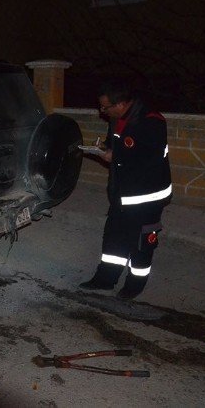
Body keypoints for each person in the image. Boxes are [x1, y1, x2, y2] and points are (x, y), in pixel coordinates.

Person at [79, 81, 172, 299]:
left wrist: (114, 155)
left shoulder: (151, 121)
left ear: (121, 104)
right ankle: (105, 279)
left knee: (140, 243)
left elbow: (149, 158)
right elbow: (117, 147)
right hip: (122, 194)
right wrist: (105, 149)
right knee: (113, 237)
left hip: (146, 197)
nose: (103, 112)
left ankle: (133, 287)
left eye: (106, 107)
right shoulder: (117, 119)